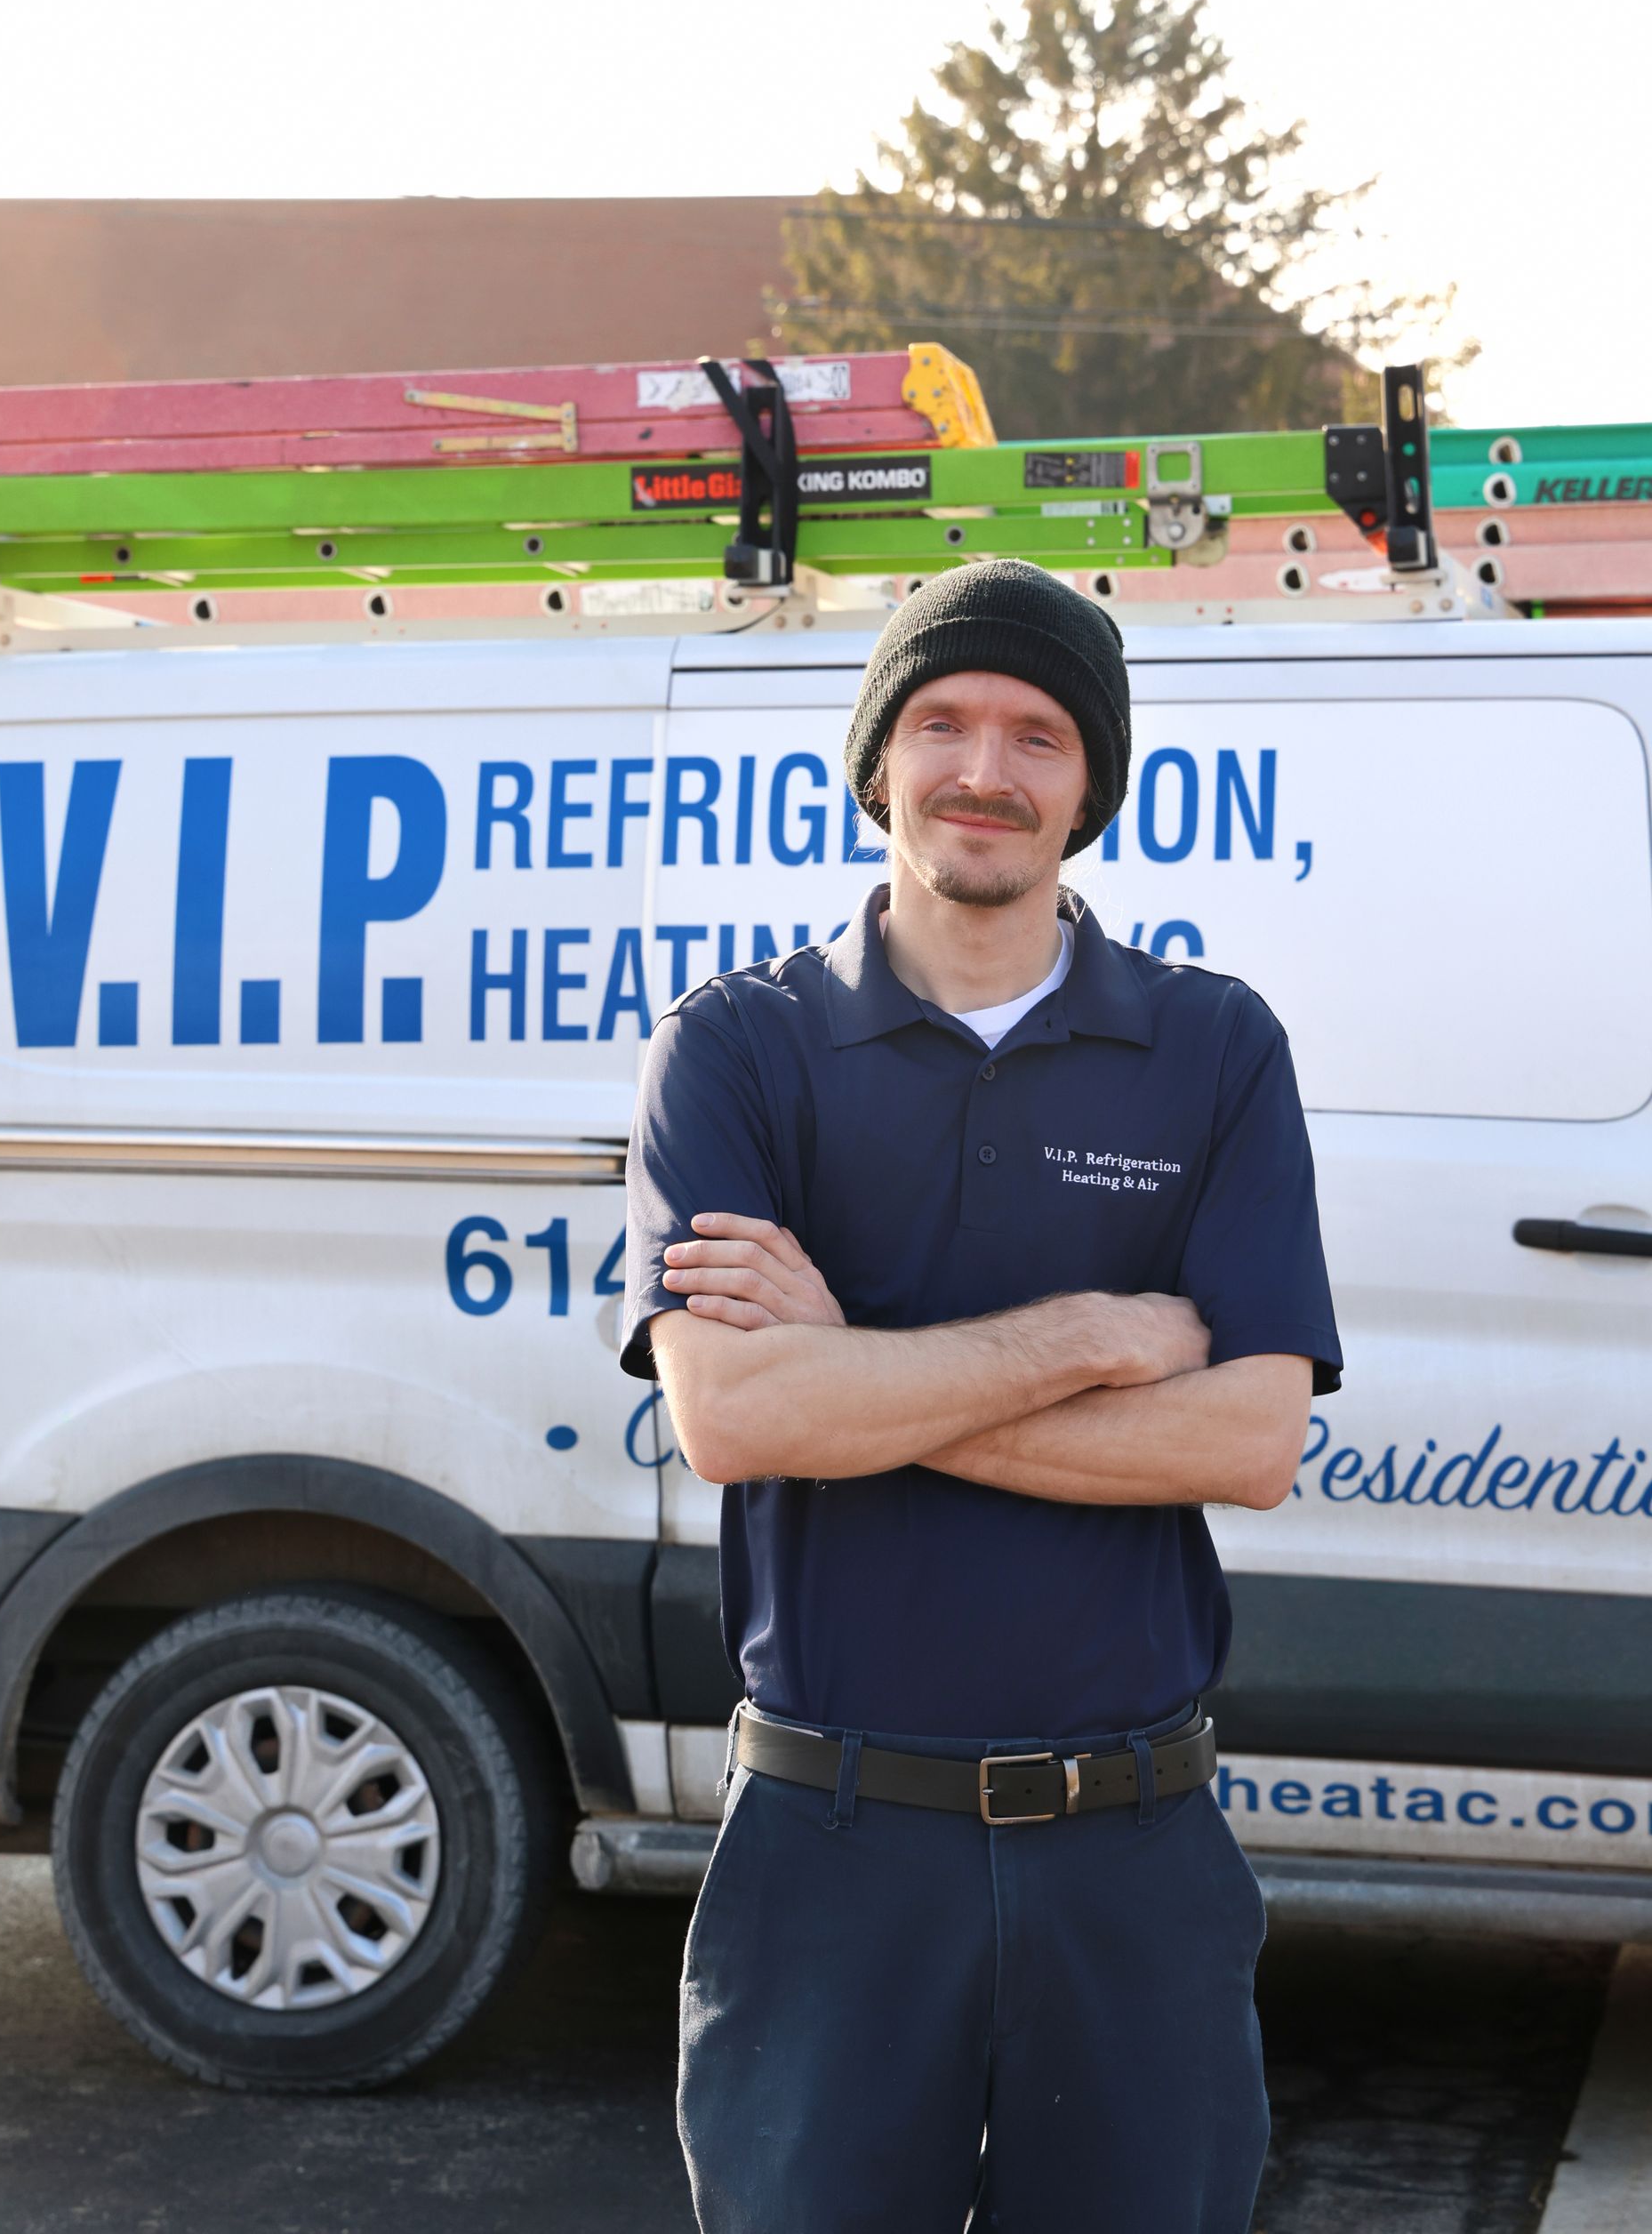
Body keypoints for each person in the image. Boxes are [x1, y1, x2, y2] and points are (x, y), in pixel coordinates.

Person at [621, 559, 1343, 2234]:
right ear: (877, 761)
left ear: (1091, 783)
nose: (984, 770)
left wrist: (853, 1371)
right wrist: (1095, 1330)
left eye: (1038, 734)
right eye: (940, 721)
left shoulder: (1215, 1051)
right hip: (830, 1842)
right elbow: (735, 1421)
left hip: (1131, 1853)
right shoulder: (739, 1050)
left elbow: (1246, 1441)